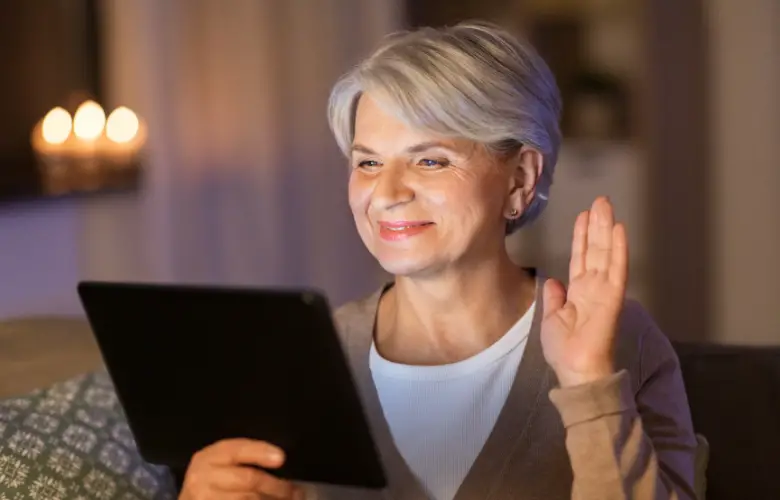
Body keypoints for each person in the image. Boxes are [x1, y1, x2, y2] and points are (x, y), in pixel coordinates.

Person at [178, 21, 697, 500]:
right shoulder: (309, 356)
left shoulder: (623, 340)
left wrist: (588, 384)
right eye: (368, 162)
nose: (386, 192)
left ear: (519, 178)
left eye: (430, 160)